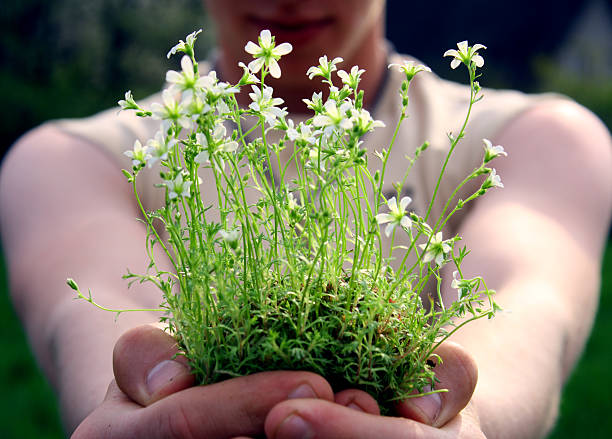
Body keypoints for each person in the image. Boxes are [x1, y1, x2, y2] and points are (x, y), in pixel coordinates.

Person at [1, 0, 610, 437]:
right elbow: (92, 312)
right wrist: (148, 405)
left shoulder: (539, 137)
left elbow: (527, 302)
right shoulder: (74, 157)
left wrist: (470, 419)